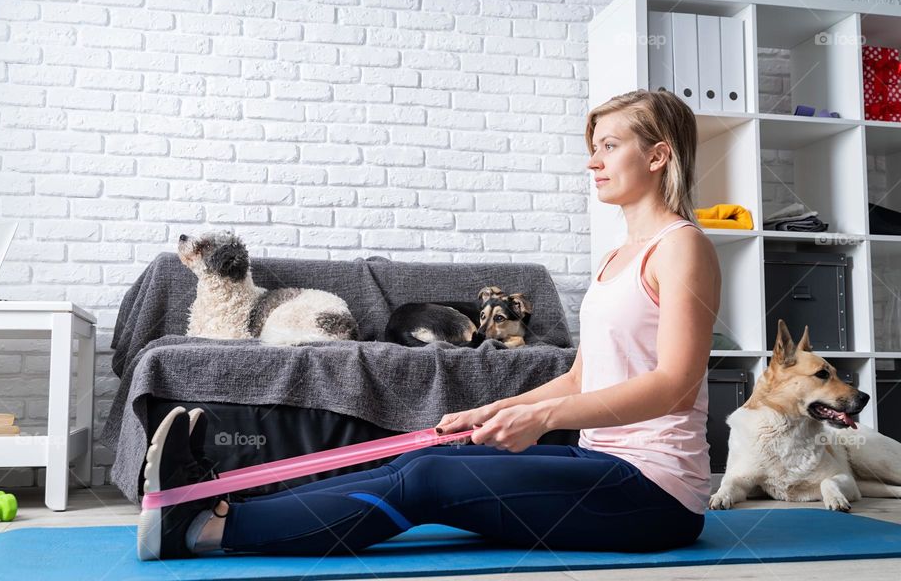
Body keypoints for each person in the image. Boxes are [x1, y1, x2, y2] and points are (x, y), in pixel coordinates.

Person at [137, 89, 722, 560]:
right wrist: (492, 411)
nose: (592, 161)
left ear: (657, 155)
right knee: (413, 461)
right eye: (592, 147)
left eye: (609, 146)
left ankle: (207, 532)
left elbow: (676, 384)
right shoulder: (617, 257)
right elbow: (582, 377)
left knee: (427, 485)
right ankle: (214, 501)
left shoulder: (681, 248)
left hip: (654, 491)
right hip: (600, 459)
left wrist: (540, 419)